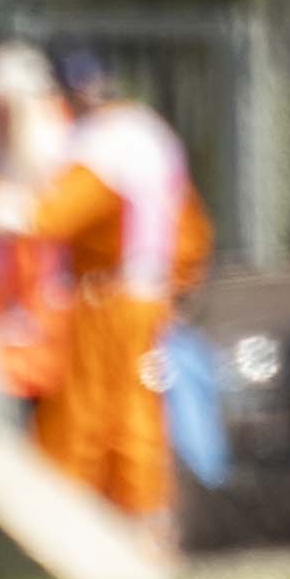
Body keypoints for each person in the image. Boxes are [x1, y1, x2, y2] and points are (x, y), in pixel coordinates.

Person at [46, 47, 211, 522]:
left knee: (91, 418)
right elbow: (191, 226)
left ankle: (79, 522)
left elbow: (53, 217)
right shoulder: (148, 130)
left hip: (109, 295)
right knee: (137, 416)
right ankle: (146, 521)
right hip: (147, 293)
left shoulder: (104, 140)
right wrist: (179, 284)